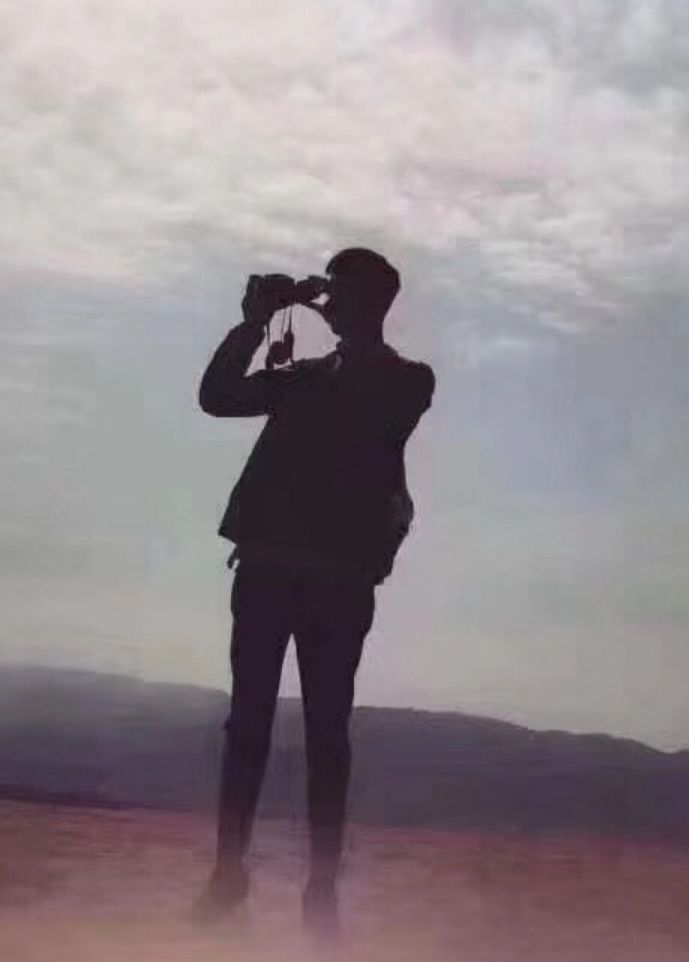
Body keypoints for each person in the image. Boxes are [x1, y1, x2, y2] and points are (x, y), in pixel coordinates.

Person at [192, 248, 435, 939]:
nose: (329, 301)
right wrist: (252, 324)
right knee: (249, 725)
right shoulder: (306, 377)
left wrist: (303, 322)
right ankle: (228, 876)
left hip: (335, 579)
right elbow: (217, 398)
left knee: (326, 732)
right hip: (273, 569)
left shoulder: (406, 380)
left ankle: (319, 888)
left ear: (372, 302)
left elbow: (369, 413)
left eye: (341, 291)